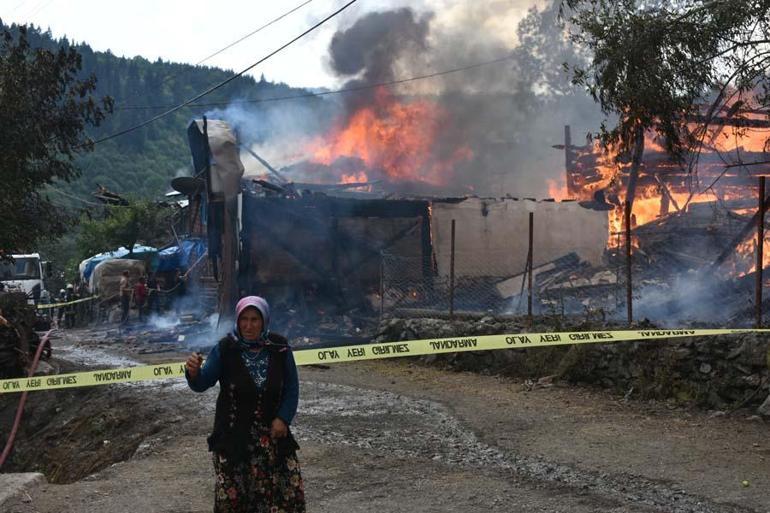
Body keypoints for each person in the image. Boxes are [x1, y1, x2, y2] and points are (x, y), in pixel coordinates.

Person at [185, 296, 305, 513]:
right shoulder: (225, 349)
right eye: (244, 319)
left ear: (264, 321)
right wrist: (193, 373)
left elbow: (291, 388)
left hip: (272, 439)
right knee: (234, 500)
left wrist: (283, 418)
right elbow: (202, 383)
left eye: (254, 319)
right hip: (233, 440)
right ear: (238, 321)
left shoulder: (279, 348)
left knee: (279, 497)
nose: (248, 326)